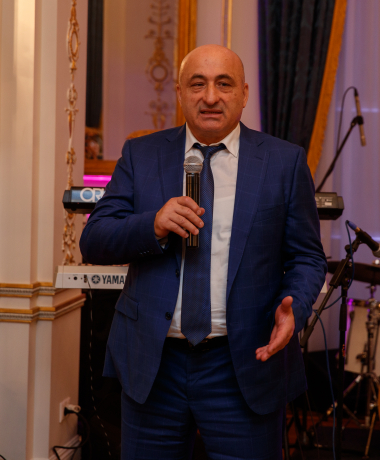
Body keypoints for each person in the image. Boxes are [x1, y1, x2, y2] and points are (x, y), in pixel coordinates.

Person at [80, 44, 327, 459]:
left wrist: (295, 306)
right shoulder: (142, 154)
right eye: (198, 84)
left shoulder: (284, 162)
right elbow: (95, 239)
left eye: (224, 84)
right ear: (180, 92)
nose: (210, 96)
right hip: (153, 365)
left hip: (243, 365)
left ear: (244, 94)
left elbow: (307, 257)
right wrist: (153, 224)